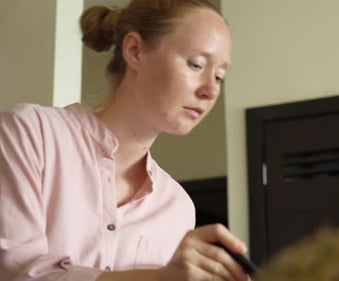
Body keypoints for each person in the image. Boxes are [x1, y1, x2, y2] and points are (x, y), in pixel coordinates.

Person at [0, 0, 249, 280]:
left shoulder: (178, 207)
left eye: (219, 77)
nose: (210, 90)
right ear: (134, 50)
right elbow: (14, 271)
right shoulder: (31, 134)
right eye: (196, 64)